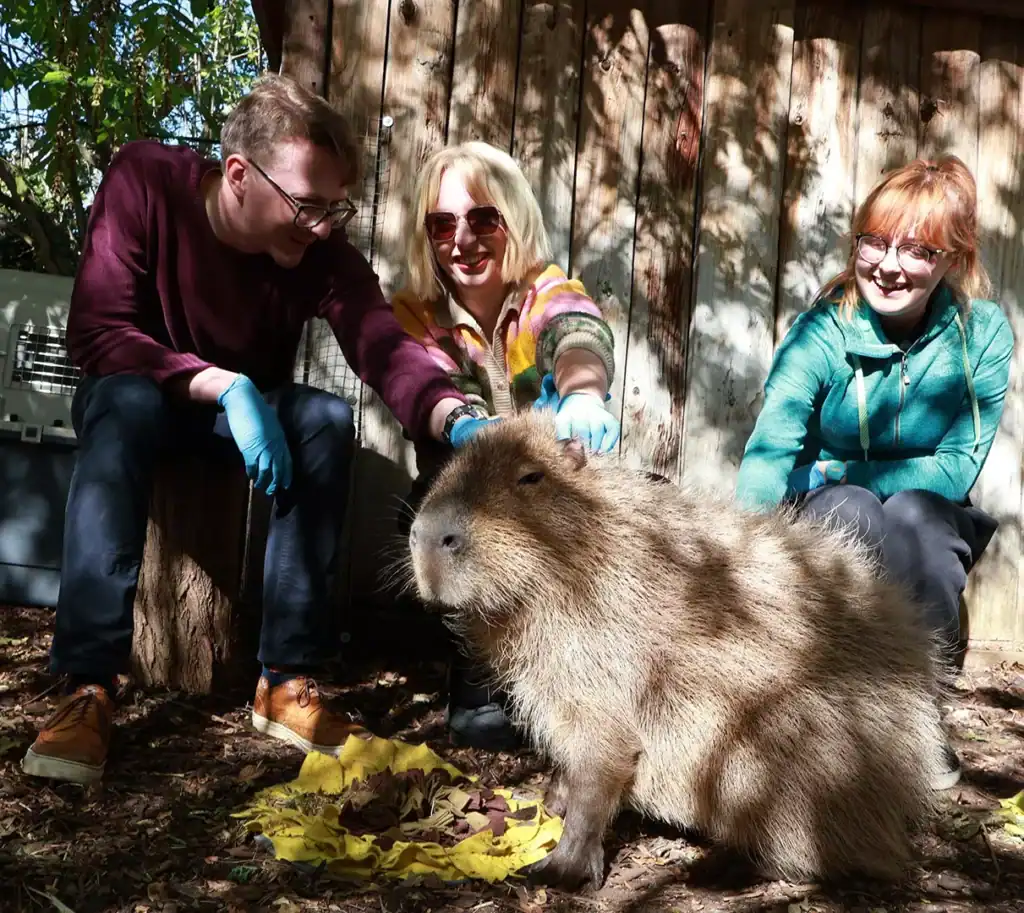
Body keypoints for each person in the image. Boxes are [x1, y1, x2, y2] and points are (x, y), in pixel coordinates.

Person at [21, 75, 487, 785]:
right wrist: (221, 383)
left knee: (324, 420)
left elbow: (383, 347)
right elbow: (98, 332)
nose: (325, 226)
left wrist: (453, 416)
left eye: (336, 208)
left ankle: (286, 679)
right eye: (307, 205)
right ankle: (86, 686)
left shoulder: (321, 255)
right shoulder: (143, 181)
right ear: (238, 174)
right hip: (139, 402)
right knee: (124, 407)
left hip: (243, 424)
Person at [736, 155, 1014, 789]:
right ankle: (828, 715)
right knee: (851, 511)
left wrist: (837, 467)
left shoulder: (983, 336)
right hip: (827, 508)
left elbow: (955, 468)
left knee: (914, 517)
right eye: (876, 241)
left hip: (927, 511)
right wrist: (739, 556)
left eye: (918, 249)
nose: (889, 265)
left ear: (952, 259)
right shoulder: (822, 330)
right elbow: (773, 449)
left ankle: (919, 716)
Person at [392, 140, 621, 749]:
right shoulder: (415, 314)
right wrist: (464, 423)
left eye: (482, 218)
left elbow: (578, 333)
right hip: (463, 492)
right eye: (442, 224)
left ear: (511, 219)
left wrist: (583, 395)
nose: (462, 240)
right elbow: (420, 385)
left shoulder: (544, 290)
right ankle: (479, 666)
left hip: (541, 492)